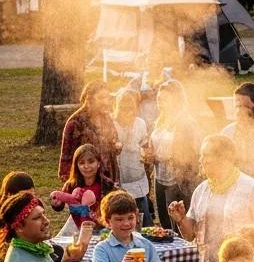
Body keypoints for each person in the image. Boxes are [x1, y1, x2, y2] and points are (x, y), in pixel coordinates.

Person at [168, 135, 254, 262]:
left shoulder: (251, 188)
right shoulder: (202, 190)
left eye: (205, 155)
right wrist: (181, 220)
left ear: (225, 158)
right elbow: (190, 235)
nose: (200, 160)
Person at [145, 79, 200, 231]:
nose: (160, 103)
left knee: (178, 226)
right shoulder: (160, 121)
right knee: (164, 224)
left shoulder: (187, 123)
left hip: (179, 181)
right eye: (159, 99)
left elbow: (195, 153)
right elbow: (156, 146)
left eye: (165, 99)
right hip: (160, 178)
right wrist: (151, 155)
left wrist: (170, 156)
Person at [1, 173, 90, 262]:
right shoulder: (18, 257)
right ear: (11, 197)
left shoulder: (33, 207)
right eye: (25, 197)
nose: (31, 201)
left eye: (32, 195)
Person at [58, 81, 120, 185]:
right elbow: (66, 160)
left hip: (108, 181)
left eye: (107, 98)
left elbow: (114, 144)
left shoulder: (107, 118)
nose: (106, 102)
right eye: (101, 98)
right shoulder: (75, 124)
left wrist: (117, 145)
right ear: (89, 99)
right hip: (86, 184)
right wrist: (74, 186)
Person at [113, 88, 152, 226]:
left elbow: (145, 146)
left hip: (137, 178)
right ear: (117, 106)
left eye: (130, 107)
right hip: (118, 179)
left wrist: (147, 154)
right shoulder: (112, 123)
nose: (127, 111)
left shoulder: (140, 123)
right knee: (120, 217)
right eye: (123, 107)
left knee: (144, 221)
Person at [51, 143, 113, 228]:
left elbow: (116, 206)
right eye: (81, 163)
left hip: (103, 228)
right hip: (78, 227)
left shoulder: (107, 184)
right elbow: (59, 206)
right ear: (76, 165)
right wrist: (56, 204)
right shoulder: (71, 185)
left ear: (98, 163)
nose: (86, 166)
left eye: (91, 162)